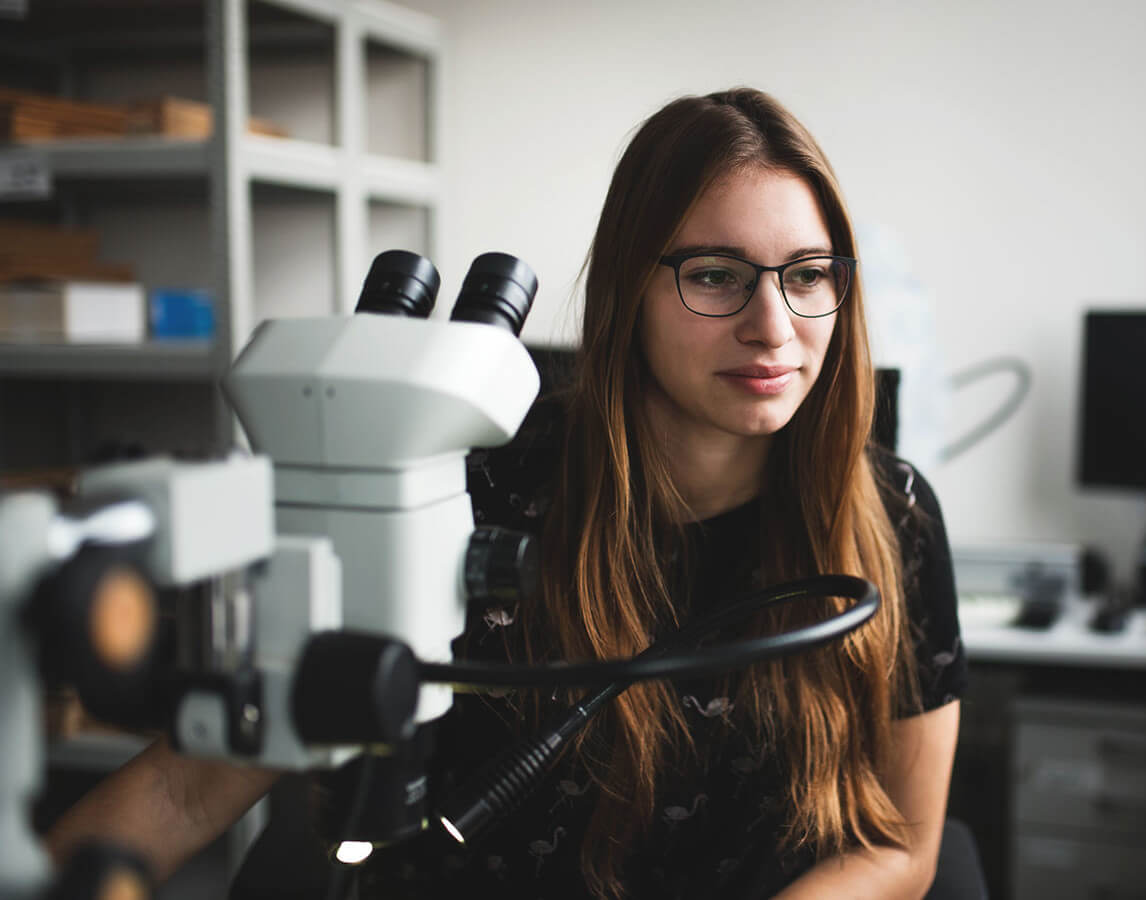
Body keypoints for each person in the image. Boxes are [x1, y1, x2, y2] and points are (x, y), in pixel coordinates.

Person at [44, 86, 966, 900]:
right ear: (626, 290)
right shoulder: (466, 482)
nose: (775, 327)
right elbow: (188, 785)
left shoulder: (894, 520)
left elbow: (907, 847)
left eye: (808, 277)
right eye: (716, 276)